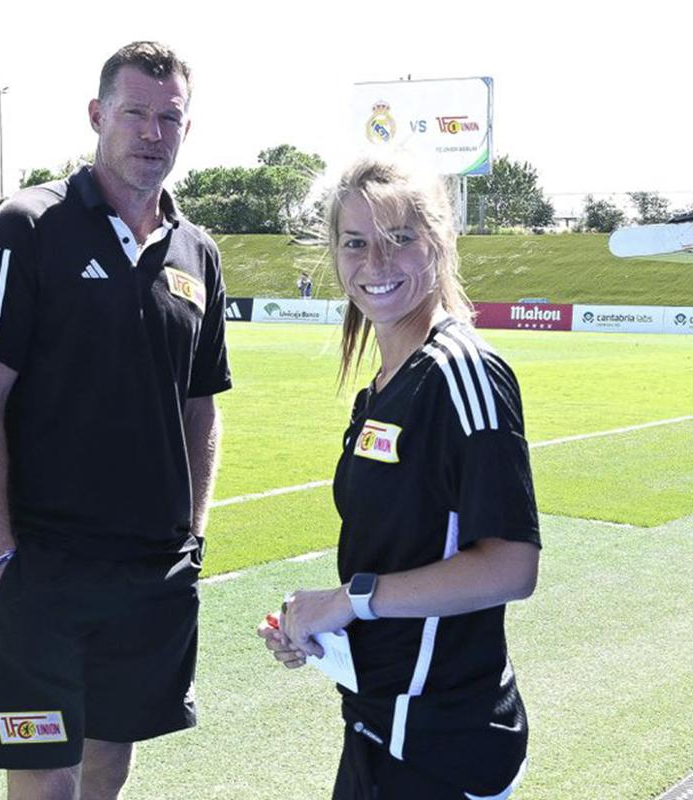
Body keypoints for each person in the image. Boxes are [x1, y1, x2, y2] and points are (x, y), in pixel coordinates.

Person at [0, 41, 230, 800]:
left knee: (110, 759)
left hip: (150, 568)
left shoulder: (198, 253)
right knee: (47, 779)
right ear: (97, 116)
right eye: (134, 113)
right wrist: (0, 557)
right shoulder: (26, 228)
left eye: (168, 117)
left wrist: (194, 535)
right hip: (40, 564)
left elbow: (200, 406)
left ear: (185, 127)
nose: (151, 132)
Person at [257, 157, 541, 800]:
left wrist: (349, 600)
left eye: (399, 239)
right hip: (380, 723)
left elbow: (510, 567)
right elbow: (407, 558)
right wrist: (322, 628)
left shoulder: (461, 373)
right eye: (355, 242)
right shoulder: (382, 388)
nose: (376, 263)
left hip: (442, 742)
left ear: (439, 242)